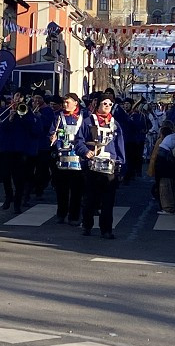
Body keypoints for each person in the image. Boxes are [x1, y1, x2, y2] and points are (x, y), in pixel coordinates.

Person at [75, 93, 126, 238]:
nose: (108, 107)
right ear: (98, 105)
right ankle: (87, 225)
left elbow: (120, 146)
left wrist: (121, 165)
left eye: (110, 104)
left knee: (108, 200)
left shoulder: (115, 124)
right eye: (105, 104)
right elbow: (78, 141)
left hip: (110, 166)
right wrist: (86, 152)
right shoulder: (88, 121)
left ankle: (106, 229)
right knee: (90, 198)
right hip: (92, 166)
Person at [51, 93, 85, 225]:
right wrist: (52, 138)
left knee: (77, 190)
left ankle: (74, 216)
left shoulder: (83, 117)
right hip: (62, 157)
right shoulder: (58, 117)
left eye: (68, 102)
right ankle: (61, 213)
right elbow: (52, 132)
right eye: (64, 102)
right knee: (61, 189)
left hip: (78, 159)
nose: (66, 105)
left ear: (76, 103)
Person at [149, 123, 175, 215]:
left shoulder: (163, 144)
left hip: (163, 169)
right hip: (172, 169)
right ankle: (172, 206)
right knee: (171, 187)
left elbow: (155, 156)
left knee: (165, 189)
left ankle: (167, 207)